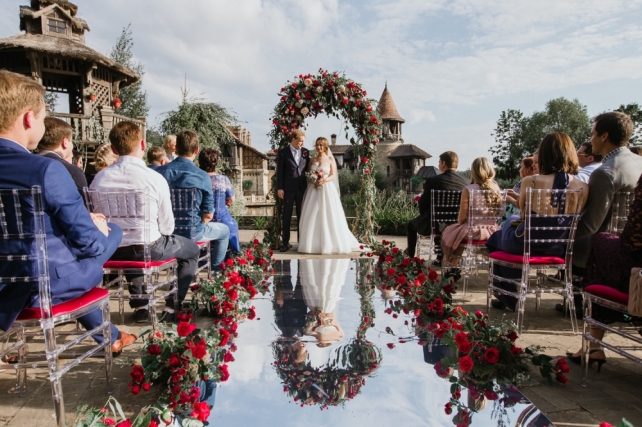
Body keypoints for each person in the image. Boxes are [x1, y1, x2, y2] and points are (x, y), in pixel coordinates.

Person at [0, 70, 135, 353]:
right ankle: (110, 337)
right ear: (29, 119)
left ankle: (111, 336)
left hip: (6, 283)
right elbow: (88, 243)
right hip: (42, 285)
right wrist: (97, 229)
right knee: (108, 235)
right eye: (42, 117)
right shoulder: (45, 170)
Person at [91, 122, 200, 323]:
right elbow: (167, 227)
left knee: (129, 243)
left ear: (113, 149)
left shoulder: (99, 179)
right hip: (147, 248)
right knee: (192, 250)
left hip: (111, 250)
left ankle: (141, 307)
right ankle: (171, 306)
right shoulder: (153, 178)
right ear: (142, 144)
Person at [487, 132, 588, 311]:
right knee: (500, 235)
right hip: (557, 247)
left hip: (527, 243)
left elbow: (523, 216)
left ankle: (507, 295)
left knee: (498, 235)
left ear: (545, 155)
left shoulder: (531, 181)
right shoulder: (583, 187)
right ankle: (506, 295)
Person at [562, 112, 642, 315]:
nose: (591, 140)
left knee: (573, 238)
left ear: (604, 136)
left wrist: (561, 237)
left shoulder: (605, 172)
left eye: (592, 134)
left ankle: (578, 303)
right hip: (636, 244)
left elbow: (591, 225)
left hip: (611, 247)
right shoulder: (639, 162)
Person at [566, 173, 642, 367]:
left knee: (601, 242)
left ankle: (593, 343)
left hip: (636, 273)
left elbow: (633, 238)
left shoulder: (606, 174)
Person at [157, 131, 230, 267]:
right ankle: (215, 270)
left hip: (165, 233)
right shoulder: (202, 176)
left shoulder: (159, 172)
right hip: (192, 231)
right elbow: (208, 215)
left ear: (176, 148)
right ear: (196, 150)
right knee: (225, 230)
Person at [297, 137, 360, 254]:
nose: (318, 147)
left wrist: (324, 180)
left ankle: (330, 243)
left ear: (325, 146)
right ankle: (312, 244)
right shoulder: (312, 160)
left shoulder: (330, 159)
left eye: (321, 145)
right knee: (312, 214)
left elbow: (333, 175)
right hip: (313, 189)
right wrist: (313, 180)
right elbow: (308, 174)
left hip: (326, 189)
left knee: (328, 213)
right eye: (317, 144)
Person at [440, 157, 502, 277]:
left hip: (472, 232)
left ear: (474, 172)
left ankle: (453, 267)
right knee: (458, 235)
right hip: (492, 232)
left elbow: (462, 218)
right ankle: (455, 267)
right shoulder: (496, 189)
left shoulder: (468, 189)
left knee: (453, 234)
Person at [407, 151, 469, 260]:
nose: (439, 165)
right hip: (457, 224)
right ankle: (441, 257)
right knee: (436, 220)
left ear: (443, 163)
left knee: (412, 225)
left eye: (439, 162)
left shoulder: (433, 181)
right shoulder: (466, 182)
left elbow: (423, 203)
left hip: (435, 224)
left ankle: (410, 257)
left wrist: (424, 215)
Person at [198, 148, 241, 254]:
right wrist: (226, 201)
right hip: (221, 218)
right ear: (216, 162)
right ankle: (232, 255)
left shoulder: (197, 179)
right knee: (233, 225)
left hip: (202, 219)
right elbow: (231, 199)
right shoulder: (223, 179)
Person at [36, 117, 88, 197]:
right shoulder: (71, 171)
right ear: (65, 142)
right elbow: (84, 202)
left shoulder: (24, 165)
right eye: (71, 141)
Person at [277, 129, 310, 252]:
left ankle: (301, 243)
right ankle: (285, 243)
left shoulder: (306, 152)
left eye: (303, 141)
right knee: (287, 216)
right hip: (288, 189)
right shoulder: (283, 152)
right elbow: (280, 172)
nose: (302, 143)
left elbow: (308, 168)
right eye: (300, 141)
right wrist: (280, 188)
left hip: (302, 188)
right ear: (293, 139)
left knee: (302, 216)